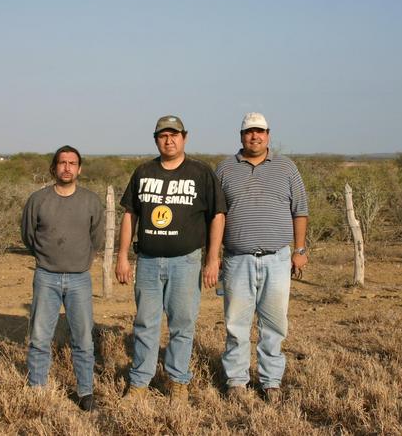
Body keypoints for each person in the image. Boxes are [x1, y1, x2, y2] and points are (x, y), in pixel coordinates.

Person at [116, 115, 226, 403]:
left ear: (184, 138)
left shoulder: (201, 173)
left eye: (174, 135)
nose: (169, 140)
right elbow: (130, 214)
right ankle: (140, 382)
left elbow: (218, 215)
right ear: (156, 140)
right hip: (149, 261)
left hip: (186, 261)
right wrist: (122, 257)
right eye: (163, 135)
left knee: (182, 324)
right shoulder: (143, 171)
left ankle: (178, 381)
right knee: (145, 323)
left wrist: (212, 258)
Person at [215, 112, 308, 403]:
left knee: (274, 324)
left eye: (260, 132)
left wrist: (300, 250)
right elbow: (216, 215)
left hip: (278, 259)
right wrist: (214, 255)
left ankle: (271, 382)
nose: (254, 137)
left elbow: (300, 210)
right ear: (241, 135)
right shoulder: (224, 170)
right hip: (237, 258)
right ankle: (237, 382)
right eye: (249, 132)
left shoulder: (286, 167)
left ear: (268, 134)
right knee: (236, 324)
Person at [21, 145, 104, 412]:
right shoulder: (38, 200)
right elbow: (28, 236)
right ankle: (37, 390)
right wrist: (48, 257)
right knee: (39, 337)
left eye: (72, 163)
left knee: (83, 339)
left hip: (80, 278)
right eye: (62, 163)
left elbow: (98, 238)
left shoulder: (91, 200)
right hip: (46, 276)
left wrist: (80, 260)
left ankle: (85, 392)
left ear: (79, 169)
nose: (67, 167)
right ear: (53, 168)